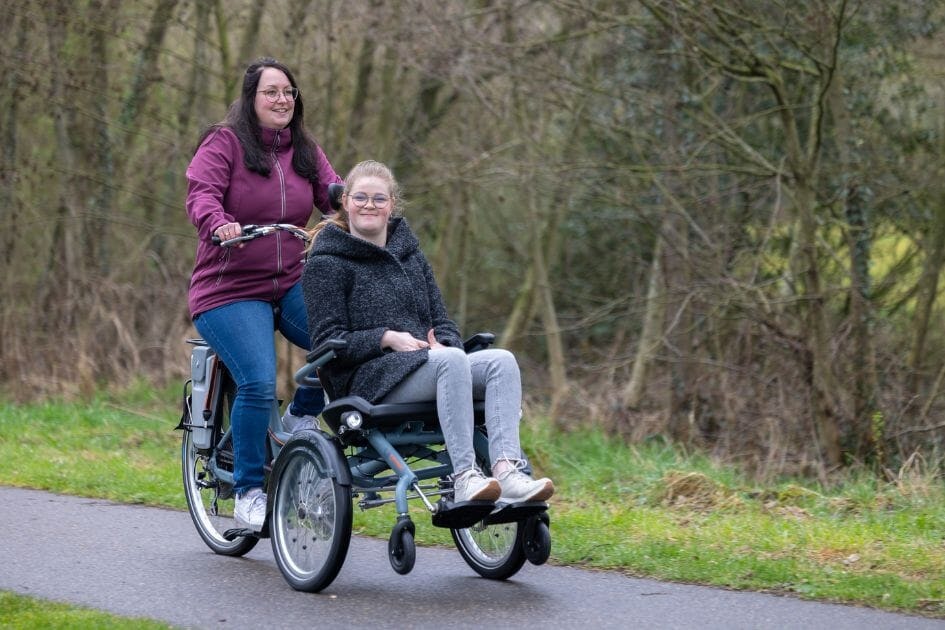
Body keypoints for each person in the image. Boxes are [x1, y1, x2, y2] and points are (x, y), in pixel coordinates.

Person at [301, 160, 554, 505]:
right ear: (345, 201)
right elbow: (328, 341)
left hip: (428, 363)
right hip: (368, 380)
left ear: (392, 204)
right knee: (451, 361)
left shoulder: (410, 254)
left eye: (379, 199)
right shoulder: (327, 262)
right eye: (361, 197)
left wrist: (443, 342)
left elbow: (442, 320)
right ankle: (465, 477)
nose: (369, 206)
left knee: (501, 361)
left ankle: (507, 471)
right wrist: (385, 338)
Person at [185, 57, 342, 531]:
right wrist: (219, 223)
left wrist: (358, 200)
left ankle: (298, 418)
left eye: (289, 92)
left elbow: (331, 191)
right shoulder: (225, 143)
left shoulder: (304, 150)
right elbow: (201, 194)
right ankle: (249, 491)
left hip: (289, 281)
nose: (282, 100)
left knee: (339, 343)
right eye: (271, 92)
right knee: (257, 380)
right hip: (228, 289)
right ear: (251, 99)